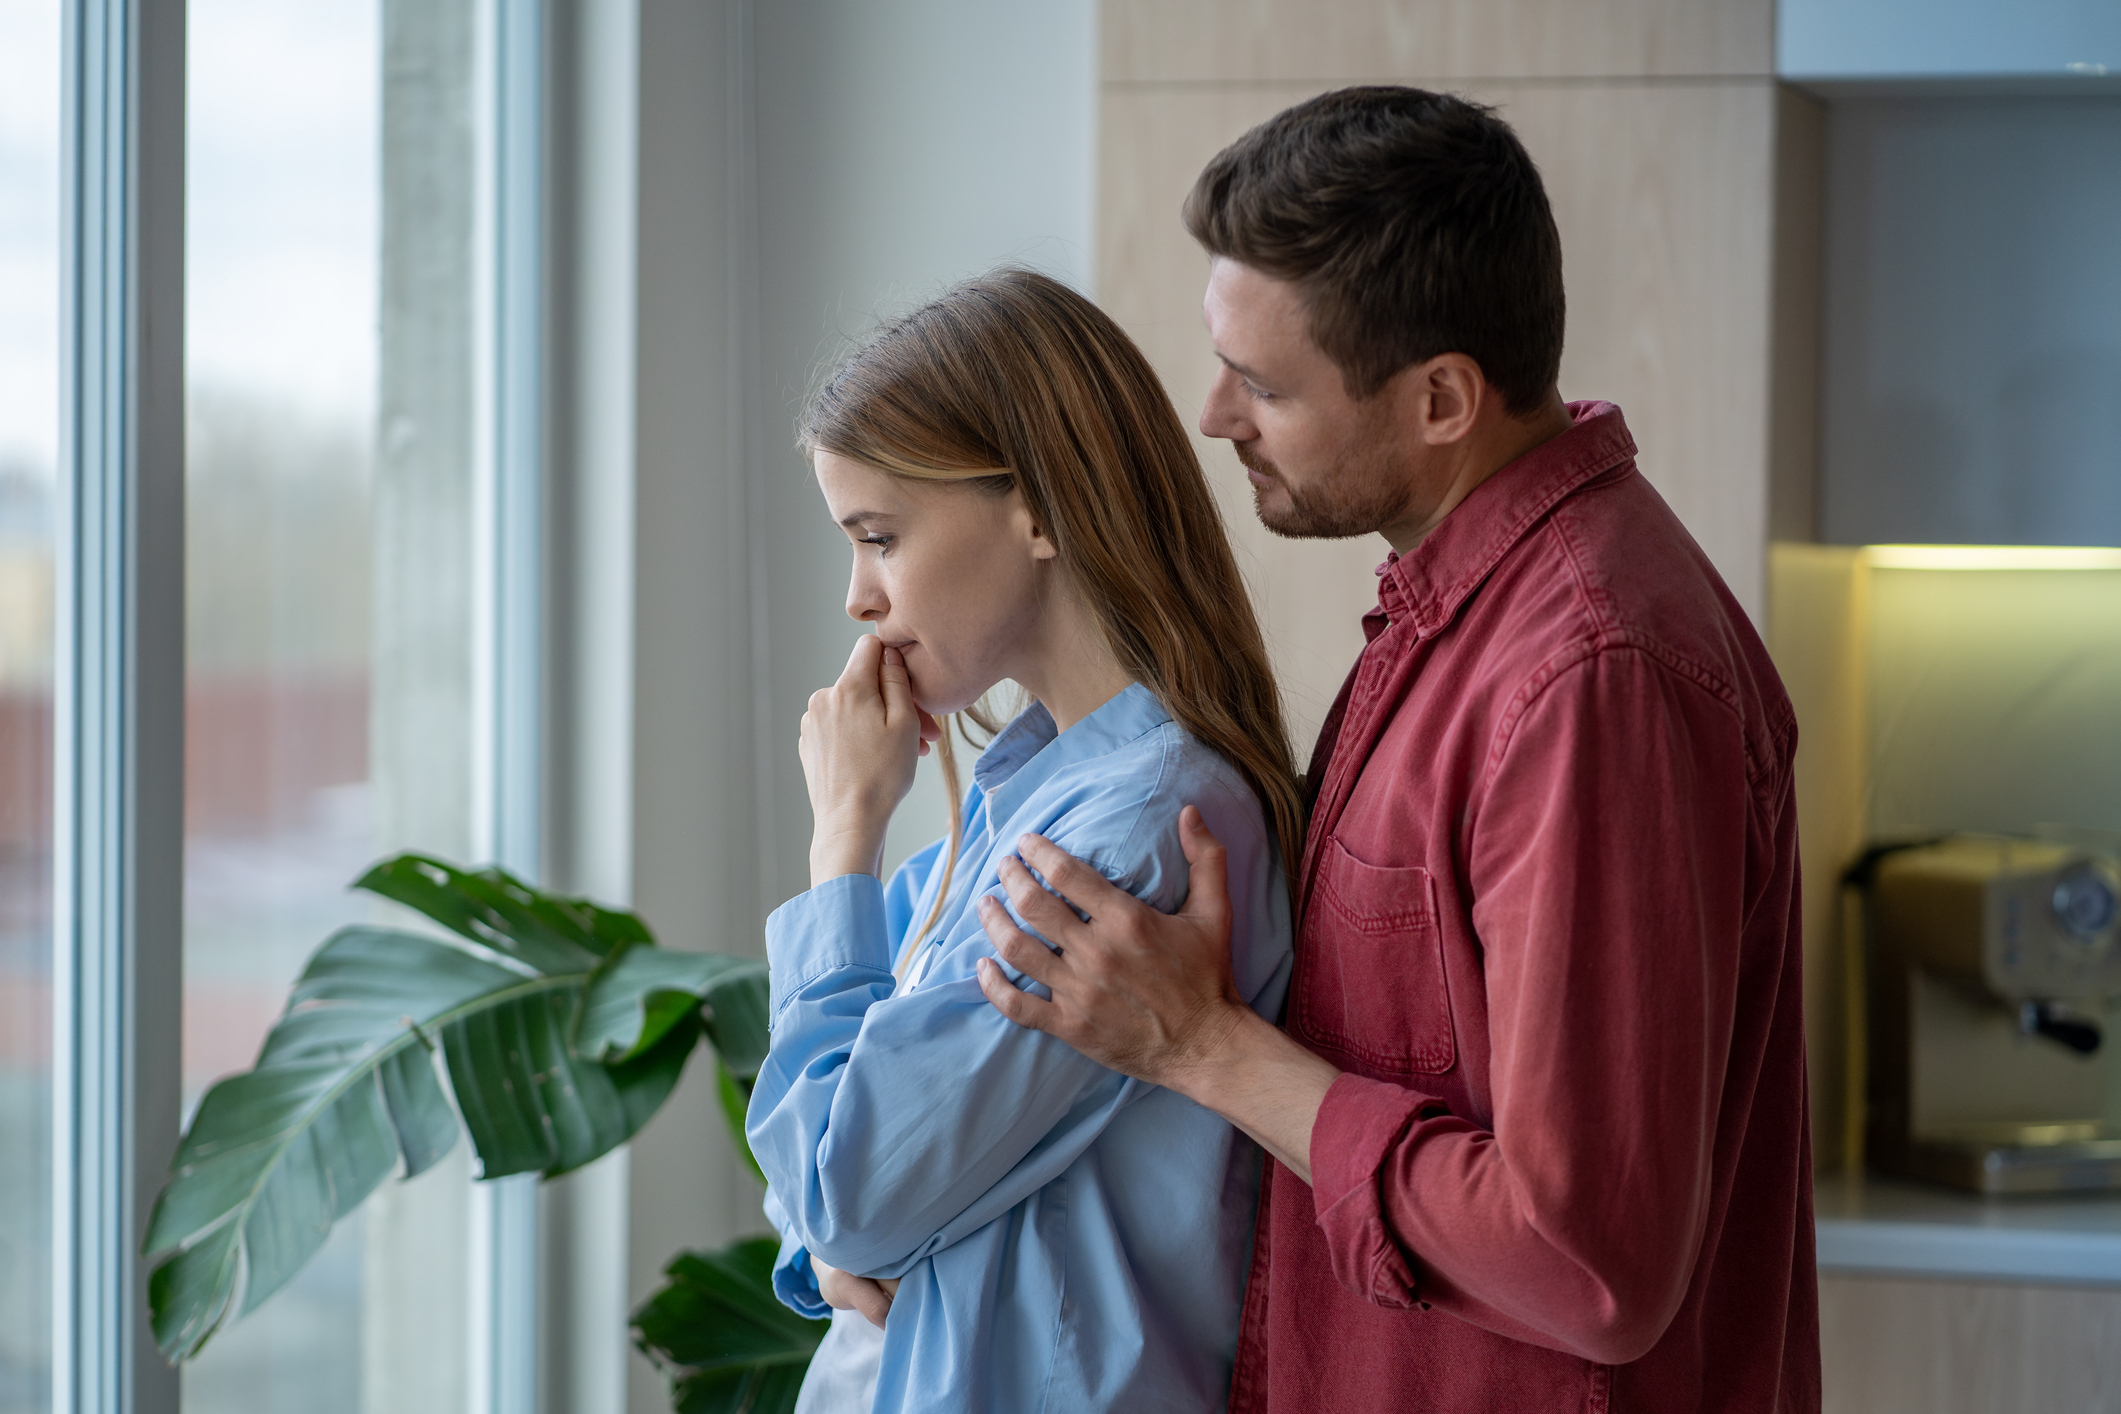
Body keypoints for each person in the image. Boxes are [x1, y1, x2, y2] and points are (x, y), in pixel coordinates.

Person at [975, 87, 1821, 1412]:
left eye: (1262, 383)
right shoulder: (1468, 615)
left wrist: (1204, 1043)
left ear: (1441, 399)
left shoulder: (1591, 681)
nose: (1212, 415)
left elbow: (1589, 1258)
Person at [747, 268, 1301, 1413]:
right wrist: (834, 1239)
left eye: (881, 536)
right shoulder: (1025, 803)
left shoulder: (1130, 835)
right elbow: (823, 1195)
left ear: (1038, 508)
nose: (858, 597)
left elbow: (848, 1184)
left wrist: (843, 833)